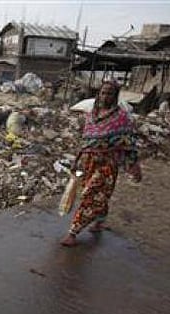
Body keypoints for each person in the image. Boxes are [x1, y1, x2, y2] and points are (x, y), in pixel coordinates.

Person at [60, 81, 142, 247]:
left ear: (115, 96)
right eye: (103, 93)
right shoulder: (92, 115)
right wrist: (77, 161)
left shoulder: (121, 118)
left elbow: (128, 142)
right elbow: (86, 142)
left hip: (107, 163)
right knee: (98, 194)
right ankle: (100, 220)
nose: (105, 96)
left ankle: (73, 232)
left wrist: (133, 165)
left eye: (110, 93)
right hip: (89, 162)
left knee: (90, 194)